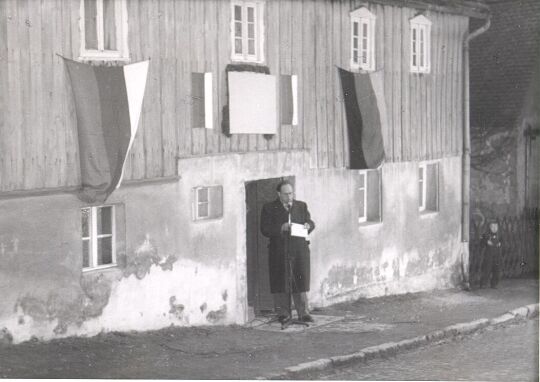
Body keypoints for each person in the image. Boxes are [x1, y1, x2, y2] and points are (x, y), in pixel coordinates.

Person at [260, 180, 315, 323]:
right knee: (280, 282)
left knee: (300, 281)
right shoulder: (269, 208)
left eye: (291, 193)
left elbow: (310, 222)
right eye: (285, 194)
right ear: (279, 194)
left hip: (299, 250)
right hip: (279, 251)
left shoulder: (301, 206)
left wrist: (309, 225)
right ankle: (283, 313)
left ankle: (303, 313)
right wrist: (280, 228)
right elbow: (264, 229)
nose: (289, 197)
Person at [480, 219, 503, 289]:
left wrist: (500, 243)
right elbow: (481, 242)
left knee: (497, 270)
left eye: (496, 227)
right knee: (487, 269)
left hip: (497, 255)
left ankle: (494, 284)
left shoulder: (499, 235)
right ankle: (483, 283)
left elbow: (502, 240)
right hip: (488, 255)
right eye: (492, 227)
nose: (494, 228)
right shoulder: (486, 235)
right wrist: (486, 241)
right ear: (489, 227)